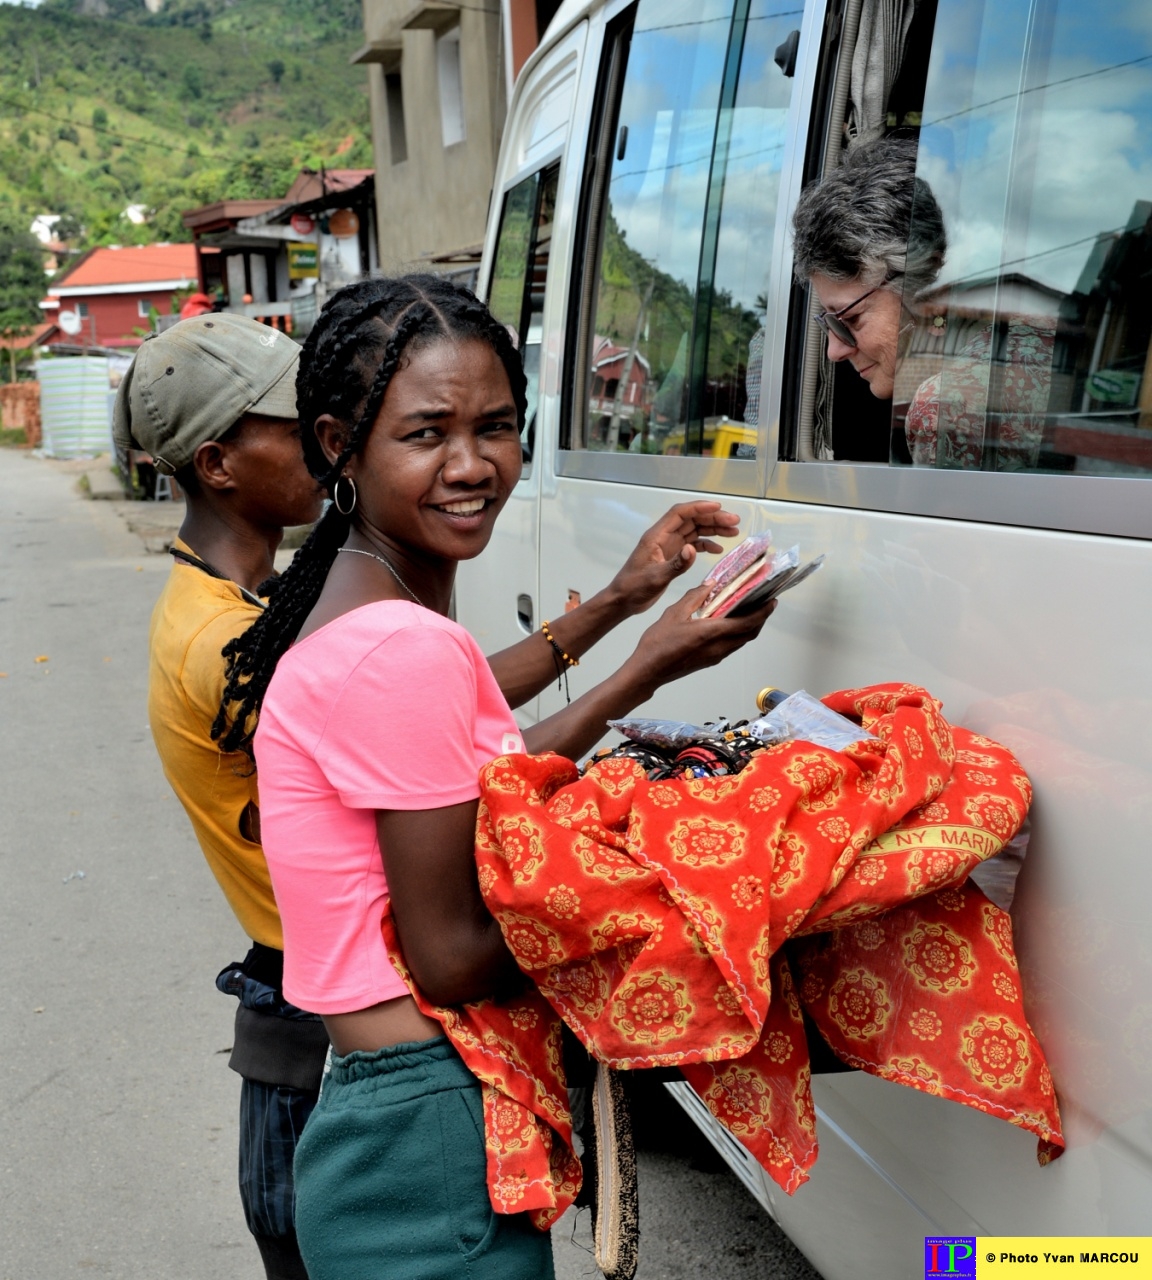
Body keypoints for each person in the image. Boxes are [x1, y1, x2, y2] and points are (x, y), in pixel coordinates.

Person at [119, 310, 761, 1280]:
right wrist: (670, 895)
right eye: (426, 432)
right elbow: (453, 951)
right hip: (427, 1113)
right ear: (341, 445)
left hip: (390, 1104)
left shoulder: (354, 606)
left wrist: (627, 612)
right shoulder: (387, 640)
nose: (471, 464)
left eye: (496, 426)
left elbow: (445, 729)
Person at [791, 136, 1053, 470]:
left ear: (927, 282)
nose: (834, 351)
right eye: (827, 322)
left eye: (851, 319)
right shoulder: (1034, 335)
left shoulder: (944, 410)